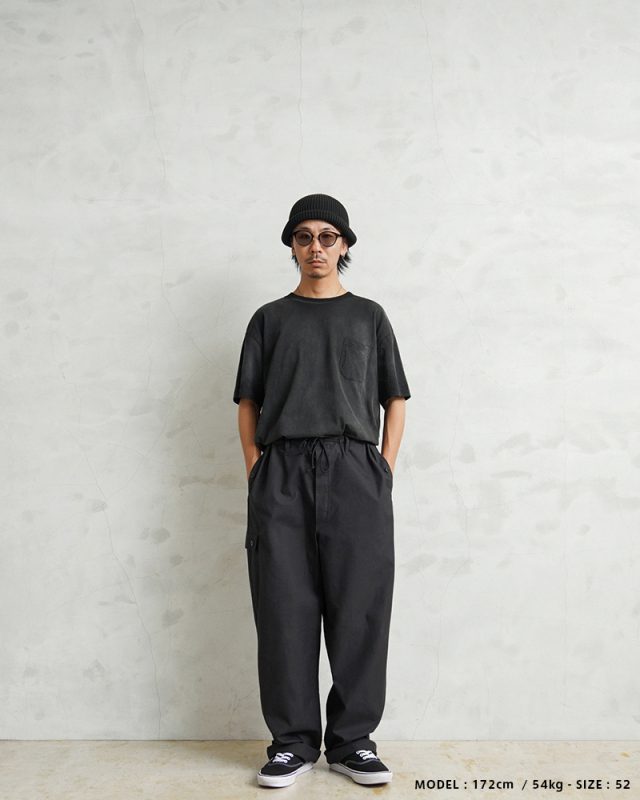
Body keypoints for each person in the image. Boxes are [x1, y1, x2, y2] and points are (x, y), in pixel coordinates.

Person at [233, 193, 410, 788]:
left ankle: (353, 743)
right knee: (284, 607)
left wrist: (382, 468)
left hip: (355, 470)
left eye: (327, 236)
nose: (316, 247)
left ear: (344, 245)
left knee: (361, 607)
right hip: (282, 472)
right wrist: (256, 468)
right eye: (304, 236)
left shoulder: (369, 316)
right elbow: (249, 401)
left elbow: (394, 397)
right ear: (291, 244)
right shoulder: (269, 319)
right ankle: (292, 744)